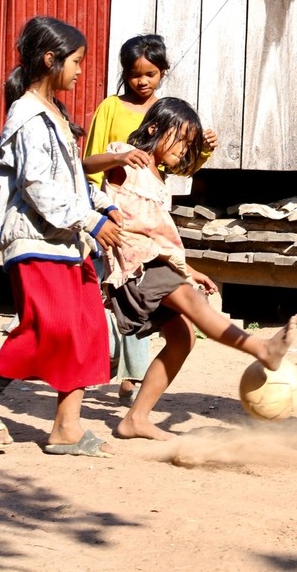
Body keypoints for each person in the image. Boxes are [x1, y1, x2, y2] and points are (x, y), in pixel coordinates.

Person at [0, 16, 123, 458]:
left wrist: (102, 206)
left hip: (66, 240)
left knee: (86, 330)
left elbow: (69, 180)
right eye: (77, 61)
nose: (82, 71)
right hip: (35, 238)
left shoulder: (57, 115)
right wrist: (90, 221)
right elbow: (38, 186)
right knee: (51, 328)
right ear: (51, 59)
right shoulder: (26, 115)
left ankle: (67, 427)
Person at [99, 97, 297, 441]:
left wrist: (188, 269)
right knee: (195, 305)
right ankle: (260, 348)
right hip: (134, 264)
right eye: (180, 139)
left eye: (190, 144)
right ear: (153, 130)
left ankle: (136, 418)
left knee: (183, 337)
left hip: (156, 262)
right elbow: (86, 162)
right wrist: (117, 156)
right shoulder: (127, 161)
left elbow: (159, 237)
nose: (184, 149)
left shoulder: (160, 181)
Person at [81, 34, 218, 406]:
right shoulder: (111, 107)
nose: (143, 82)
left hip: (148, 221)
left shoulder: (169, 112)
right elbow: (92, 159)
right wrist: (93, 209)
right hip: (109, 216)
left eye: (151, 74)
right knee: (114, 296)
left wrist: (202, 149)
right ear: (125, 74)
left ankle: (131, 380)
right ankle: (107, 369)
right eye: (135, 74)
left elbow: (179, 168)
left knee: (145, 303)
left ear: (163, 74)